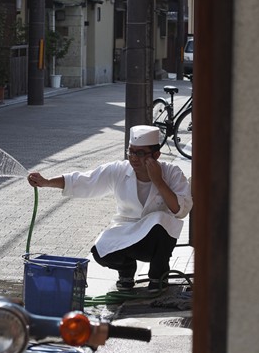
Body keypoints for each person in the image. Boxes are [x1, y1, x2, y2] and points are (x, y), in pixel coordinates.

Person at [27, 125, 193, 292]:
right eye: (131, 152)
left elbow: (181, 210)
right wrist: (47, 182)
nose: (134, 158)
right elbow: (86, 180)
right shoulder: (119, 170)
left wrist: (158, 181)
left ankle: (159, 275)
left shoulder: (171, 172)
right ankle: (126, 271)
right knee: (100, 250)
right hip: (127, 230)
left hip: (155, 239)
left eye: (140, 153)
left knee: (161, 220)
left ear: (156, 155)